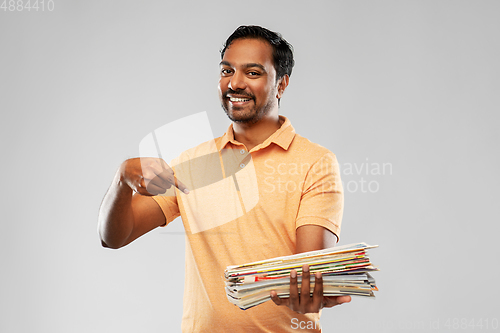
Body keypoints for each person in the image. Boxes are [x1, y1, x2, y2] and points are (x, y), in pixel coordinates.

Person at [98, 25, 350, 332]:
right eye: (227, 70)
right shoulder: (194, 163)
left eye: (253, 73)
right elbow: (113, 237)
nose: (235, 83)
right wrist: (122, 179)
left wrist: (311, 288)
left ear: (281, 84)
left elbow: (308, 269)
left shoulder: (315, 162)